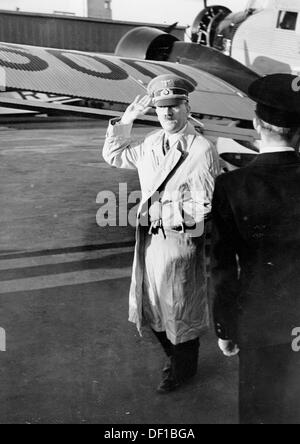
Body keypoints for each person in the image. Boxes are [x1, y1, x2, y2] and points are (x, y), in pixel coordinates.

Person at [103, 74, 220, 393]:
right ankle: (176, 358)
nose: (167, 113)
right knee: (151, 304)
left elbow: (202, 206)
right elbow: (115, 156)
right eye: (160, 108)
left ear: (187, 107)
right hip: (150, 240)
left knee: (180, 308)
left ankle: (182, 369)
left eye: (174, 106)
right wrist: (127, 119)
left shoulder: (201, 149)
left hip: (180, 238)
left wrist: (161, 210)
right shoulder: (152, 142)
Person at [211, 73, 300, 423]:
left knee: (263, 410)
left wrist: (226, 329)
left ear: (255, 123)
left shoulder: (230, 186)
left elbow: (221, 267)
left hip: (260, 323)